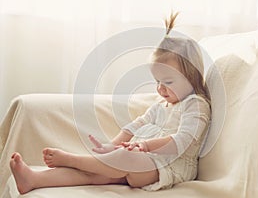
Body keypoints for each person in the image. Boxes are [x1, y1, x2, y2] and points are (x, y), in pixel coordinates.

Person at [9, 12, 211, 194]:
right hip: (141, 160)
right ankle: (34, 179)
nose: (160, 89)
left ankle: (73, 159)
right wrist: (111, 146)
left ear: (191, 76)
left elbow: (182, 141)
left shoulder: (196, 104)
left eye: (167, 82)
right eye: (157, 82)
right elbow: (137, 124)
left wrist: (144, 145)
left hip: (167, 167)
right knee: (96, 173)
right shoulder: (162, 104)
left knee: (126, 158)